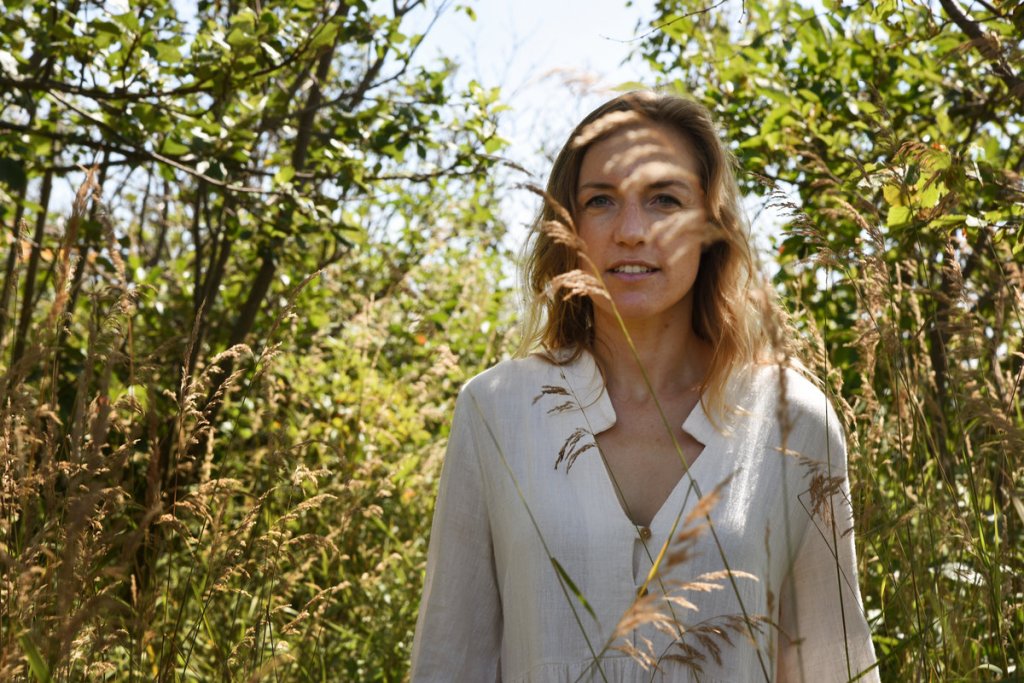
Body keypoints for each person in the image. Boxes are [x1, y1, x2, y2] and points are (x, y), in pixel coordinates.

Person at [410, 91, 879, 682]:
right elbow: (451, 659)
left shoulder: (794, 420)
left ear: (709, 226)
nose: (632, 231)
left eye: (664, 199)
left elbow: (833, 666)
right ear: (568, 226)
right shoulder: (496, 411)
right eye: (601, 200)